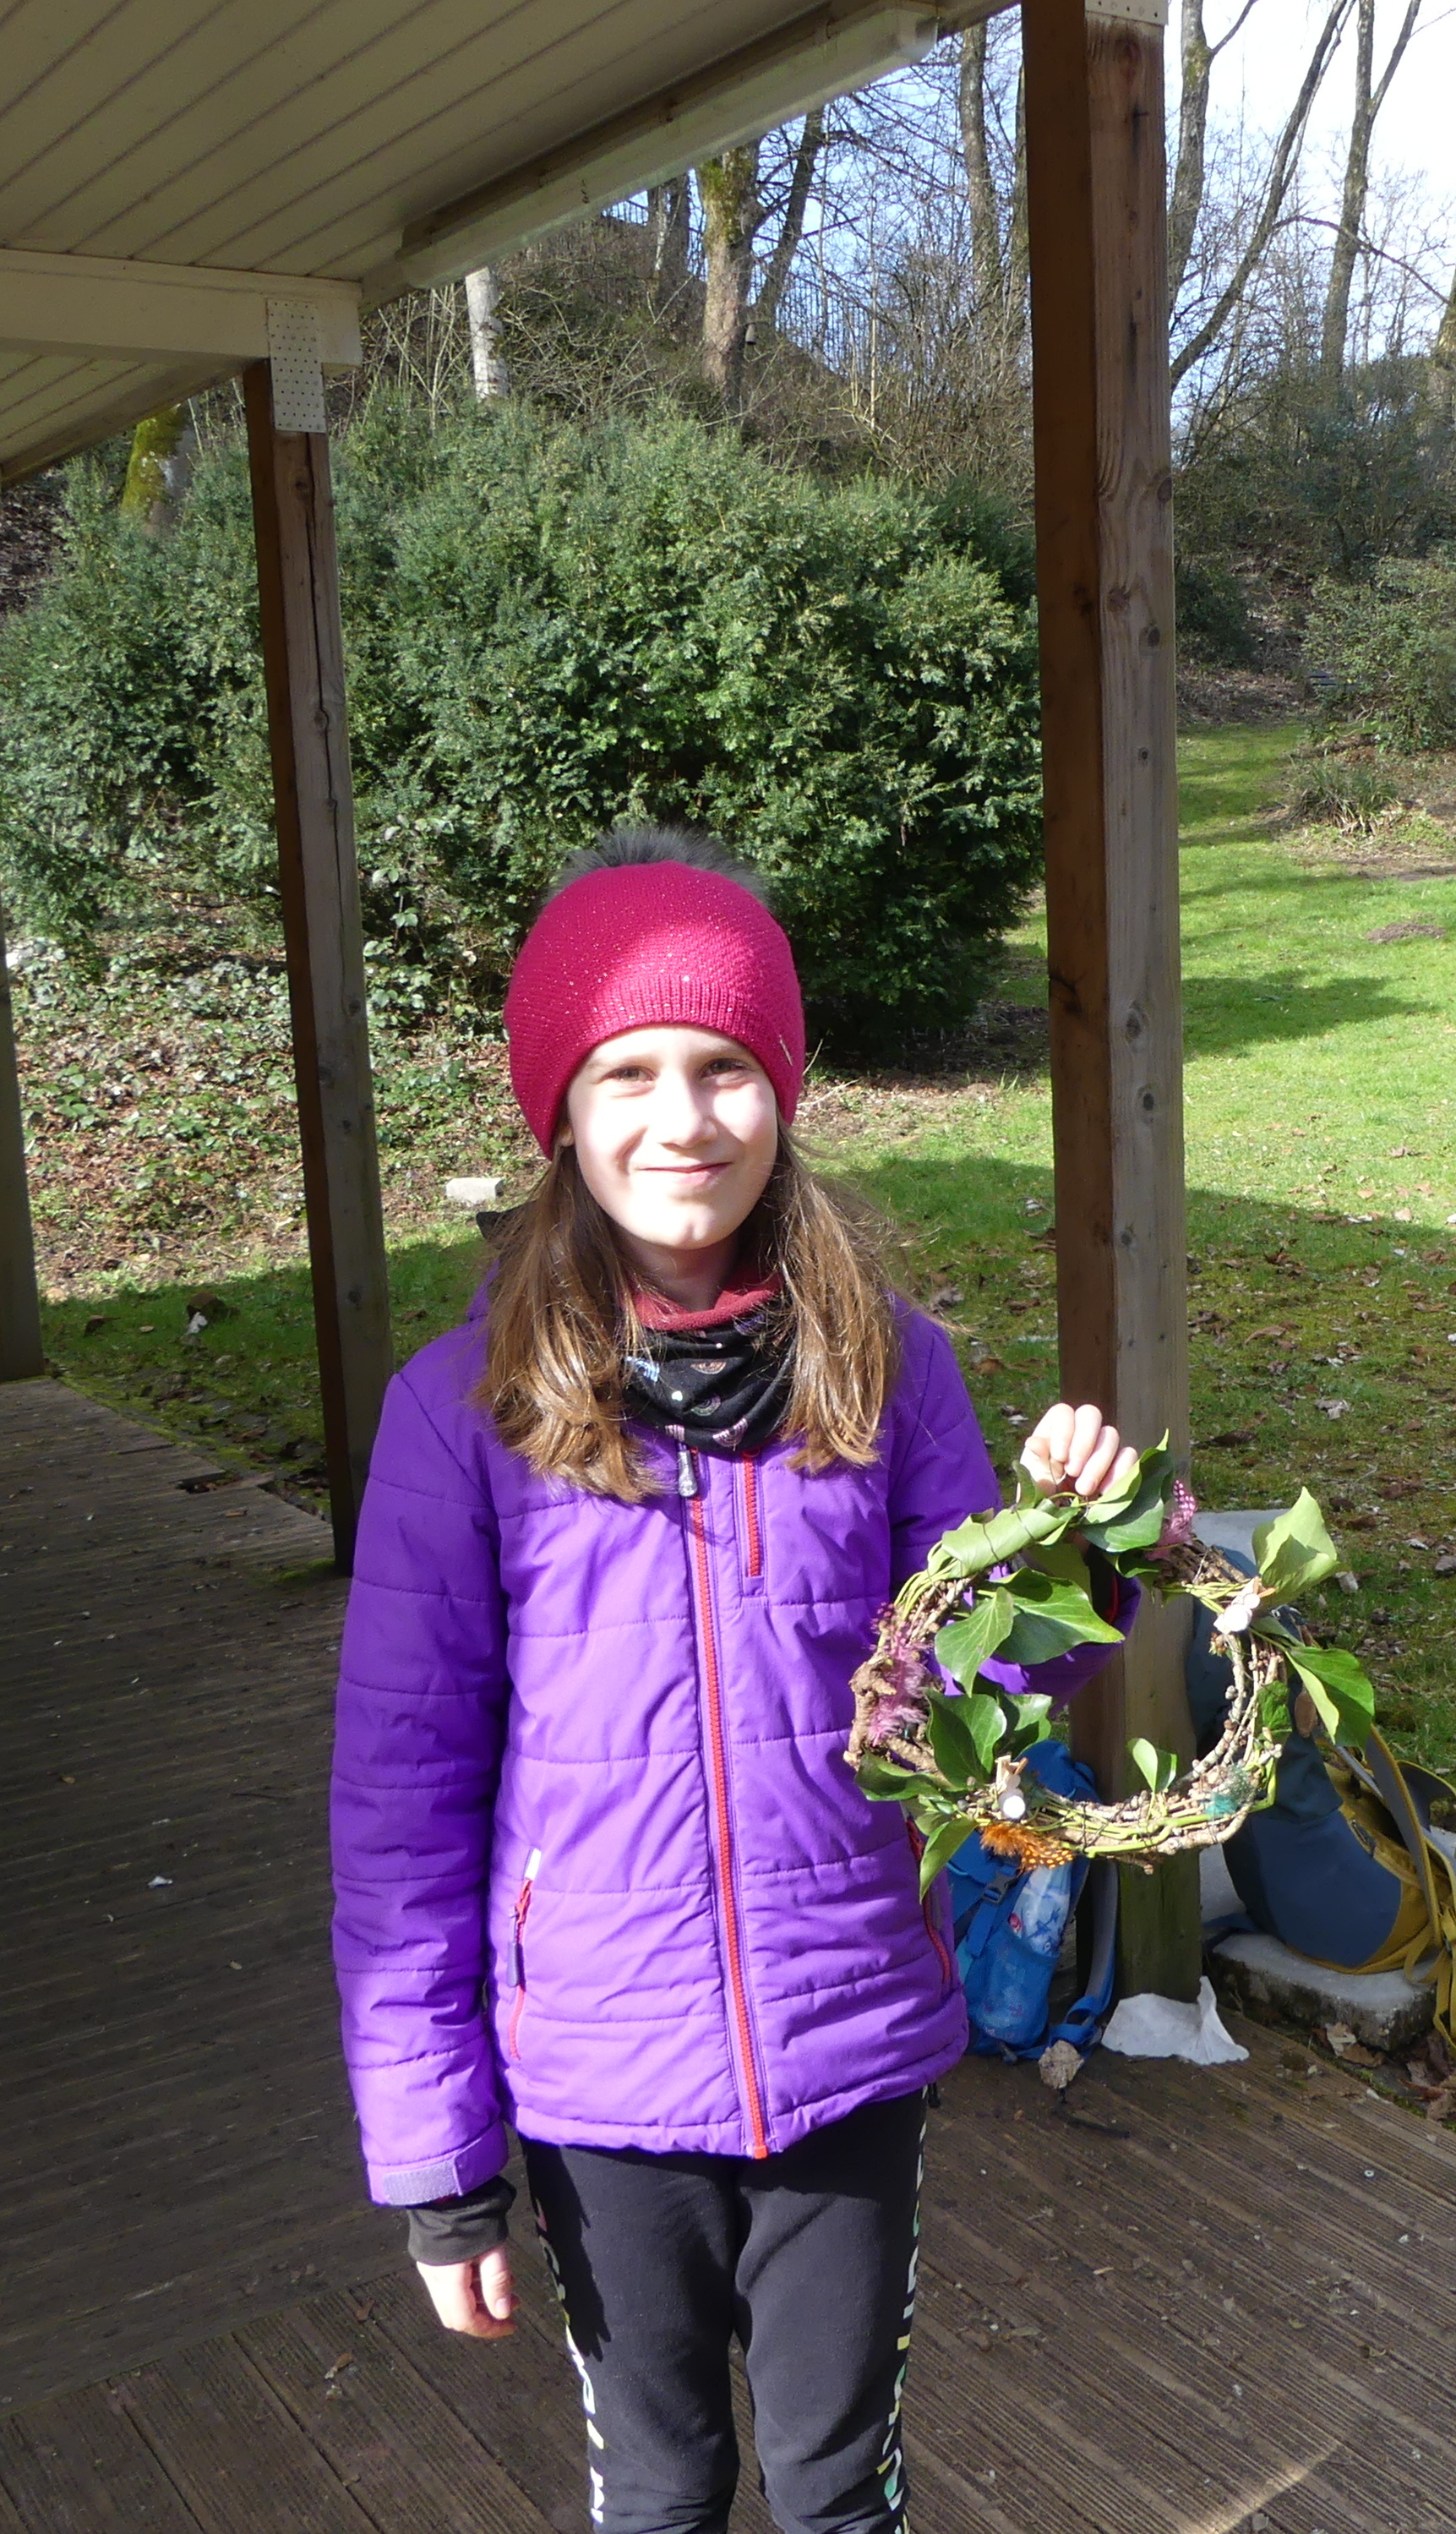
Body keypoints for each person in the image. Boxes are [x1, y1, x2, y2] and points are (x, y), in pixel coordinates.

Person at [330, 824, 1135, 2534]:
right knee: (665, 2480)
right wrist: (437, 2174)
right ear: (558, 1107)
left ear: (780, 1093)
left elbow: (995, 1691)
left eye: (719, 1068)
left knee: (842, 2483)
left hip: (845, 2036)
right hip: (599, 2076)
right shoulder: (456, 1415)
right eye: (625, 1072)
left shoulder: (890, 1363)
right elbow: (398, 1821)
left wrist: (1073, 1548)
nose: (678, 1119)